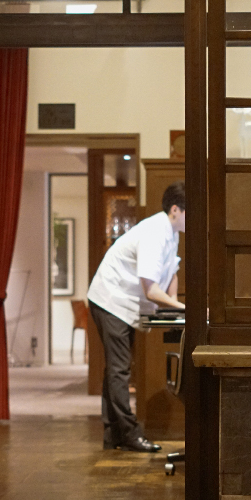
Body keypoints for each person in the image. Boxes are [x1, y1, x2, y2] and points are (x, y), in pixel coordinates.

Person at [86, 182, 185, 453]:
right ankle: (129, 433)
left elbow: (172, 271)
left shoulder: (171, 231)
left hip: (122, 303)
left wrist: (174, 305)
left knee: (115, 370)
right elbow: (151, 290)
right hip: (111, 301)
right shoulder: (154, 232)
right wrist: (181, 308)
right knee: (119, 370)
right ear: (175, 210)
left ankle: (113, 434)